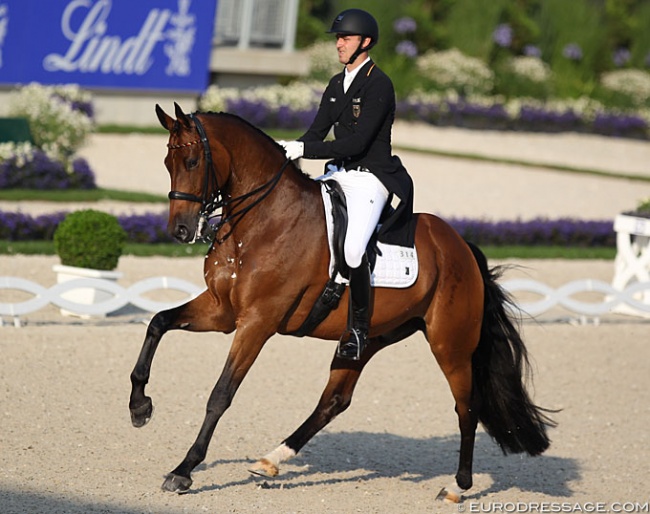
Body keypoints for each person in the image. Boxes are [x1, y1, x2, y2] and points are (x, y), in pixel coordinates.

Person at [279, 8, 415, 360]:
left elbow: (356, 145)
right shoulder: (337, 84)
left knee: (353, 249)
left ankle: (357, 330)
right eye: (338, 38)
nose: (339, 44)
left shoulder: (379, 84)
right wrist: (285, 152)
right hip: (339, 174)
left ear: (365, 43)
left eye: (346, 38)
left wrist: (305, 148)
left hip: (371, 178)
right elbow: (315, 133)